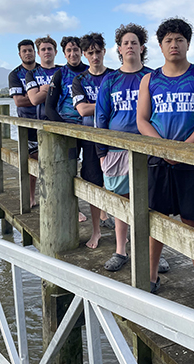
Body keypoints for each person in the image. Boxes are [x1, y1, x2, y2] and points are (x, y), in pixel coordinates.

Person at [137, 18, 194, 308]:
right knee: (157, 219)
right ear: (160, 46)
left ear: (187, 44)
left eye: (180, 40)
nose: (174, 45)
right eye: (169, 40)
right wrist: (162, 147)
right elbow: (142, 119)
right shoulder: (150, 79)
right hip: (158, 159)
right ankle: (150, 276)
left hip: (191, 159)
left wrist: (185, 148)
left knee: (193, 220)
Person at [95, 23, 153, 272]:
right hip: (116, 151)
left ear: (142, 47)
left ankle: (153, 252)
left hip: (146, 149)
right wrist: (101, 152)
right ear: (119, 48)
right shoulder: (110, 80)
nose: (130, 46)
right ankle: (121, 249)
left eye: (134, 42)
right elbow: (101, 116)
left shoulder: (153, 77)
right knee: (121, 202)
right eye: (125, 43)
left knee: (150, 202)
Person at [72, 33, 115, 248]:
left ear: (104, 52)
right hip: (90, 139)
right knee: (93, 185)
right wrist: (109, 104)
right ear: (85, 55)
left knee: (120, 187)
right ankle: (96, 231)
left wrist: (96, 105)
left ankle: (123, 233)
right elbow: (82, 110)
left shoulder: (116, 77)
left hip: (115, 139)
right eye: (90, 53)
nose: (95, 56)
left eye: (98, 52)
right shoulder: (79, 80)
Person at [44, 36, 89, 222]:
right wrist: (63, 129)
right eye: (69, 51)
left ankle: (102, 212)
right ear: (64, 54)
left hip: (90, 128)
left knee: (93, 171)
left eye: (76, 50)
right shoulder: (60, 74)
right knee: (69, 170)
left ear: (82, 52)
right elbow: (49, 107)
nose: (73, 54)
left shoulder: (89, 72)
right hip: (68, 129)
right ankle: (74, 208)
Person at [8, 39, 39, 207]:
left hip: (46, 121)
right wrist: (38, 96)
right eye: (24, 51)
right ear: (19, 54)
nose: (28, 53)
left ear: (35, 52)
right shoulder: (15, 75)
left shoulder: (43, 71)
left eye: (30, 50)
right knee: (30, 162)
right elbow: (19, 101)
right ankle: (31, 197)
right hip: (27, 124)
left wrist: (33, 96)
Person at [25, 36, 61, 120]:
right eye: (43, 49)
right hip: (43, 119)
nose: (46, 52)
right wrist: (57, 89)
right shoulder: (31, 74)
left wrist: (44, 90)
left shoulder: (63, 71)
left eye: (49, 49)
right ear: (38, 53)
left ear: (55, 52)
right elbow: (34, 100)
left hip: (63, 118)